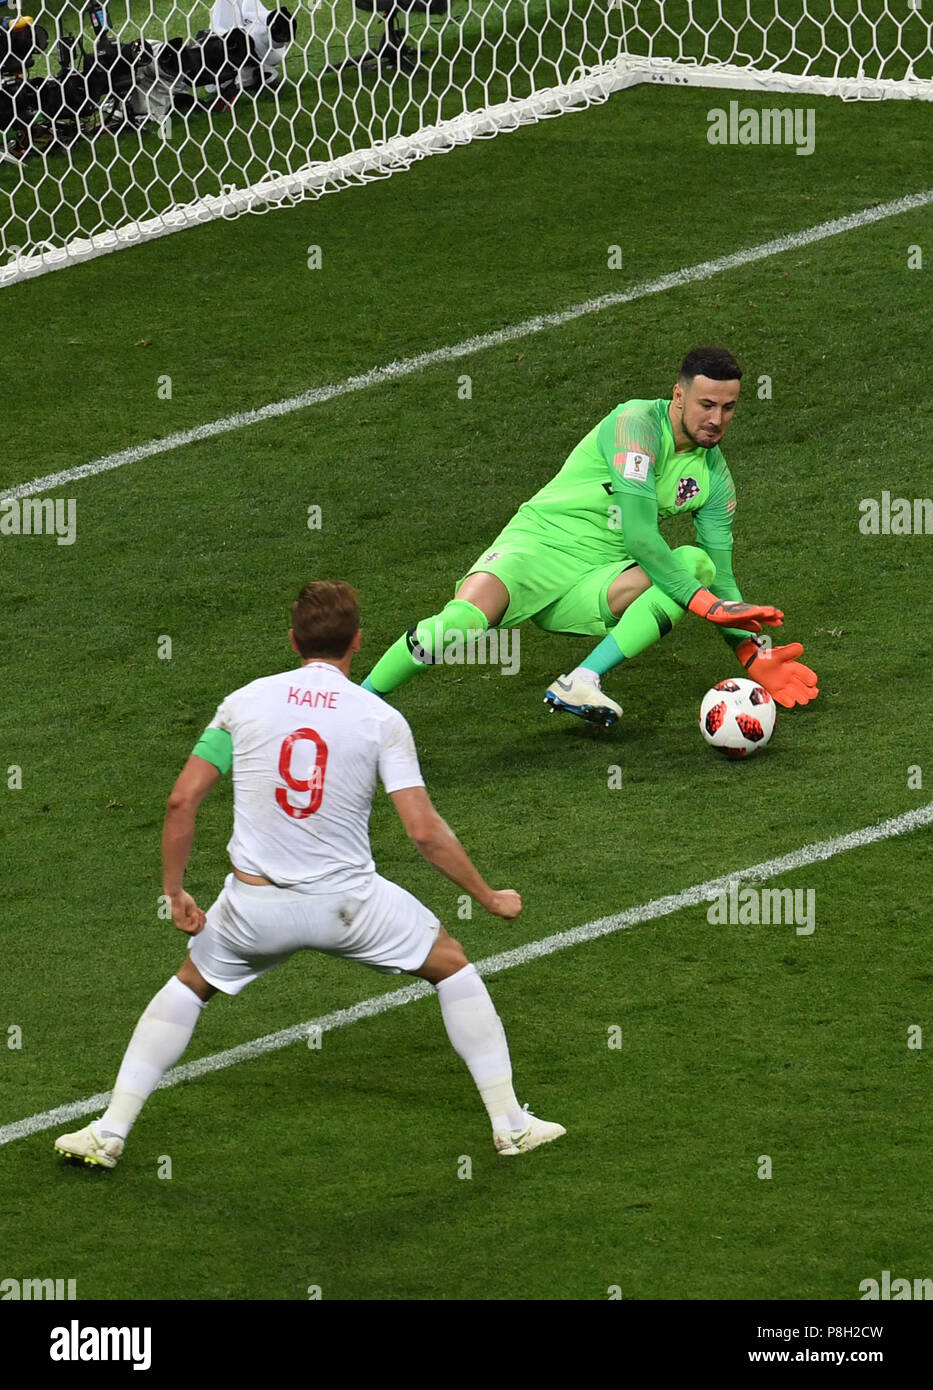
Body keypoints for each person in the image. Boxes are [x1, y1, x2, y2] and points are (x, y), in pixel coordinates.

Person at [55, 581, 564, 1169]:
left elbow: (181, 801)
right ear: (358, 643)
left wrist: (174, 892)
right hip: (350, 906)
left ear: (293, 640)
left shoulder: (243, 702)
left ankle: (110, 1132)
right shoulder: (380, 717)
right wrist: (488, 894)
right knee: (451, 968)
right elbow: (423, 832)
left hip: (254, 908)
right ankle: (510, 1125)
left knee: (190, 984)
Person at [362, 346, 818, 726]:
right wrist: (705, 605)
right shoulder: (635, 425)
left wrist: (751, 650)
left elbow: (722, 582)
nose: (717, 419)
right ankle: (357, 701)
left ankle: (582, 679)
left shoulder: (714, 478)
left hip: (596, 583)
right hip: (535, 550)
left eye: (729, 407)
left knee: (698, 564)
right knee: (459, 624)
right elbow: (640, 536)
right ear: (678, 396)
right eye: (706, 405)